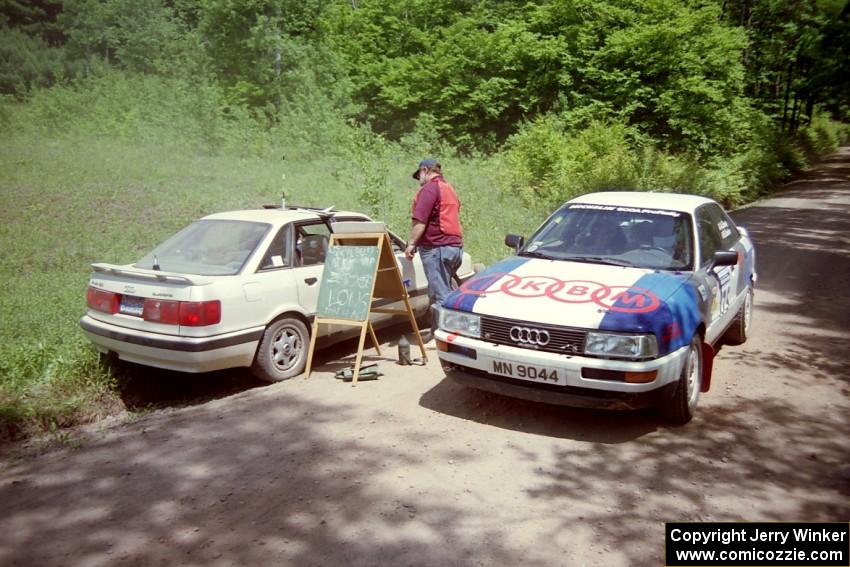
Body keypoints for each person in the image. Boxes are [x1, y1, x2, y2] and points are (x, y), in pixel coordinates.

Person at [405, 159, 464, 332]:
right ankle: (437, 331)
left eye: (419, 175)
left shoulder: (430, 189)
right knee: (442, 292)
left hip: (437, 248)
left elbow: (420, 220)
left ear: (425, 170)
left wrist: (411, 244)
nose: (419, 180)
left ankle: (447, 336)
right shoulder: (449, 188)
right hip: (455, 247)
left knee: (441, 297)